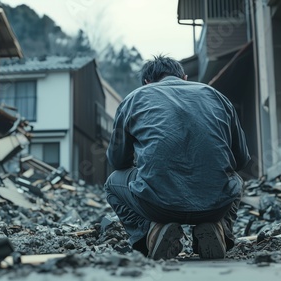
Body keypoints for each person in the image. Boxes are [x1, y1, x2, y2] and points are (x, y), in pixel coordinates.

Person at [104, 55, 250, 260]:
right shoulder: (216, 96)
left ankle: (151, 234)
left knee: (112, 183)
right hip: (216, 204)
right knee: (236, 179)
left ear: (147, 82)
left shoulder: (134, 98)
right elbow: (241, 159)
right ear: (184, 77)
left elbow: (118, 161)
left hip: (157, 205)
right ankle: (218, 230)